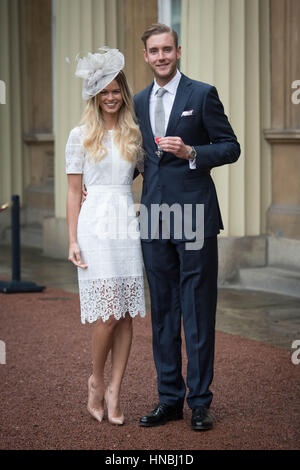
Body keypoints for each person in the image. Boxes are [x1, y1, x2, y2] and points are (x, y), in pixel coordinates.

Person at [134, 24, 241, 431]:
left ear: (178, 51)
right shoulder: (140, 101)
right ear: (146, 56)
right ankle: (169, 400)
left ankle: (199, 402)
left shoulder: (202, 93)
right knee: (162, 312)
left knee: (197, 309)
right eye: (153, 51)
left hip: (195, 215)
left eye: (167, 49)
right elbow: (139, 158)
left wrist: (193, 151)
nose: (161, 57)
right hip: (154, 219)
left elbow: (230, 146)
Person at [66, 47, 146, 426]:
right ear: (94, 96)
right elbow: (72, 192)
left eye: (116, 91)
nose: (111, 98)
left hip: (125, 223)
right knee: (109, 313)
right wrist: (72, 240)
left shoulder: (134, 133)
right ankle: (95, 381)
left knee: (127, 314)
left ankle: (116, 389)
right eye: (104, 92)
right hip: (94, 224)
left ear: (123, 94)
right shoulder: (79, 135)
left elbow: (147, 175)